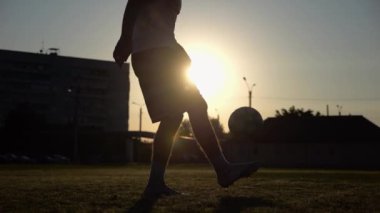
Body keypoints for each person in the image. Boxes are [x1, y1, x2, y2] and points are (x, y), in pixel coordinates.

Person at [113, 0, 258, 199]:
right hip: (156, 54)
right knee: (196, 105)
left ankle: (156, 183)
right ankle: (222, 170)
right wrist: (125, 38)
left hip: (159, 52)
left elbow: (160, 26)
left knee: (172, 117)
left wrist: (177, 50)